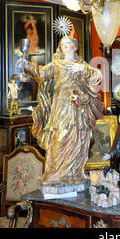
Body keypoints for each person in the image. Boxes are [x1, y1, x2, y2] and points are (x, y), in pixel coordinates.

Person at [18, 30, 104, 190]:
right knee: (59, 135)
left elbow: (96, 77)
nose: (66, 46)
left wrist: (82, 69)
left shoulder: (82, 65)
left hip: (78, 105)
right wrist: (27, 65)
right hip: (60, 104)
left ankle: (74, 173)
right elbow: (41, 74)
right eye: (63, 44)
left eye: (69, 43)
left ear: (75, 46)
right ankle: (56, 174)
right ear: (61, 48)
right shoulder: (56, 64)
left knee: (78, 135)